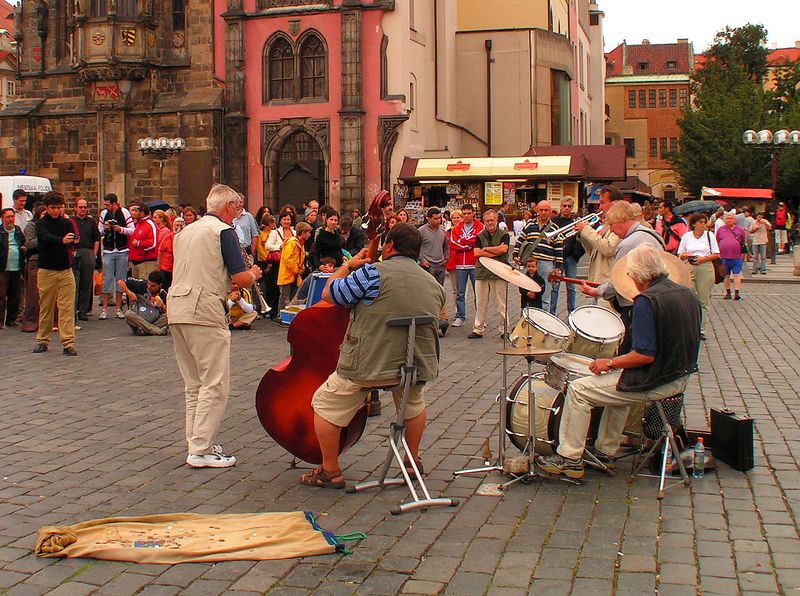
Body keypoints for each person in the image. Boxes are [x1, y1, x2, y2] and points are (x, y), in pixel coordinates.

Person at [537, 244, 701, 478]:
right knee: (618, 386)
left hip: (655, 380)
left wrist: (610, 363)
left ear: (637, 274)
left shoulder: (647, 300)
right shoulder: (687, 294)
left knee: (578, 390)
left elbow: (645, 355)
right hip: (679, 376)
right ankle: (605, 451)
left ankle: (568, 458)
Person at [300, 223, 445, 488]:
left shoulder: (371, 273)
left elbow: (329, 293)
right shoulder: (432, 282)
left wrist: (348, 266)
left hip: (369, 362)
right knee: (413, 404)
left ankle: (330, 470)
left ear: (389, 246)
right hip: (414, 364)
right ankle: (412, 461)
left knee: (324, 404)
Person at [167, 184, 262, 468]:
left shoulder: (185, 232)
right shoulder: (223, 232)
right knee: (214, 383)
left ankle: (197, 441)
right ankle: (200, 449)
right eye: (238, 207)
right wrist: (254, 273)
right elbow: (240, 278)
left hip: (177, 307)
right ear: (229, 206)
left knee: (194, 384)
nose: (239, 214)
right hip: (203, 308)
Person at [578, 201, 665, 353]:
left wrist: (596, 292)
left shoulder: (628, 244)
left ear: (622, 220)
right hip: (656, 300)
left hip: (634, 303)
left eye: (611, 224)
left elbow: (618, 281)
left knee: (630, 348)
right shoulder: (653, 236)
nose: (611, 230)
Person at [33, 191, 78, 356]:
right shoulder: (41, 223)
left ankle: (68, 342)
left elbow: (74, 238)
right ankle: (42, 340)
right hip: (47, 271)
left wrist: (72, 240)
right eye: (53, 208)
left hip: (65, 270)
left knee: (66, 308)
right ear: (47, 207)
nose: (56, 211)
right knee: (46, 307)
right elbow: (45, 238)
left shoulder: (66, 223)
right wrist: (62, 240)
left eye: (59, 207)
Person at [512, 200, 564, 314]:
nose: (544, 212)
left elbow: (559, 249)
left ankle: (543, 324)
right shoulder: (530, 225)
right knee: (527, 293)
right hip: (531, 263)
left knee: (545, 297)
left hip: (547, 264)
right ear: (537, 211)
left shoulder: (554, 228)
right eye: (541, 210)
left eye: (546, 210)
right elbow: (520, 240)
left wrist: (558, 267)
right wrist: (515, 254)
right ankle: (525, 321)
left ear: (550, 211)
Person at [678, 213, 720, 339]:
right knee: (689, 295)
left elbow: (716, 253)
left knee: (703, 299)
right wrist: (688, 255)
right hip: (690, 266)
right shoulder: (687, 236)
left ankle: (701, 329)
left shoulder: (709, 235)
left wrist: (704, 258)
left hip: (705, 266)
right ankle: (689, 326)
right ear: (694, 224)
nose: (703, 225)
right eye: (700, 222)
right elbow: (680, 253)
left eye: (704, 222)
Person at [468, 210, 509, 339]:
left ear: (497, 221)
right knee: (480, 303)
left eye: (492, 220)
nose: (490, 223)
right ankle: (478, 329)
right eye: (487, 221)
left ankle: (504, 329)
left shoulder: (504, 235)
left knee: (501, 303)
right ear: (484, 222)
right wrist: (495, 251)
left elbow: (504, 249)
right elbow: (476, 253)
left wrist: (485, 249)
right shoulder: (480, 236)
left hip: (499, 272)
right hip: (482, 272)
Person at [575, 187, 620, 293]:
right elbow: (594, 251)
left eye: (603, 203)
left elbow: (608, 249)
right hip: (598, 282)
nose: (600, 207)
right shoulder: (606, 224)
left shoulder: (618, 224)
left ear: (614, 204)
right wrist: (582, 235)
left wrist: (586, 230)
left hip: (608, 284)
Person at [98, 193, 134, 320]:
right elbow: (99, 231)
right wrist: (105, 229)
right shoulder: (103, 214)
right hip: (108, 250)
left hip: (122, 249)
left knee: (120, 279)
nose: (106, 207)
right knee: (107, 280)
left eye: (108, 204)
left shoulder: (124, 212)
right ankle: (104, 309)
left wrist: (120, 229)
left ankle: (118, 308)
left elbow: (131, 230)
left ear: (114, 204)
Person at [449, 204, 484, 327]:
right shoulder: (456, 229)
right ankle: (460, 316)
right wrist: (469, 246)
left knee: (478, 293)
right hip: (460, 264)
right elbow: (453, 244)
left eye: (469, 213)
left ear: (473, 213)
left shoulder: (481, 227)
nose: (466, 216)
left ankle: (480, 318)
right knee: (460, 292)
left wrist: (463, 243)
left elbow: (478, 242)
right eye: (464, 213)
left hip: (475, 264)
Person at [418, 207, 450, 335]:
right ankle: (429, 319)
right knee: (428, 293)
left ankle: (441, 318)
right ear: (429, 219)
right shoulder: (421, 231)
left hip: (440, 265)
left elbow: (446, 246)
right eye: (435, 218)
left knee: (439, 291)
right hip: (427, 266)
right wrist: (421, 260)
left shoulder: (442, 230)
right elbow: (416, 247)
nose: (438, 220)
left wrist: (446, 258)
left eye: (439, 218)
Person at [550, 198, 583, 314]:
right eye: (564, 206)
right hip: (557, 257)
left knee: (571, 287)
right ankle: (552, 313)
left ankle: (571, 313)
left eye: (569, 206)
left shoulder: (575, 222)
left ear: (572, 208)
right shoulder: (554, 221)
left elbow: (581, 239)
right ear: (560, 207)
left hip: (571, 258)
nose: (566, 208)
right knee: (554, 287)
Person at [71, 198, 101, 321]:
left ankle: (83, 311)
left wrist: (94, 254)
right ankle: (73, 309)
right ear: (75, 208)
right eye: (80, 207)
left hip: (88, 252)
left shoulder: (91, 222)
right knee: (74, 283)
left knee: (87, 283)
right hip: (75, 252)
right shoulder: (71, 221)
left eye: (85, 207)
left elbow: (97, 239)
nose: (83, 209)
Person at [264, 208, 295, 319]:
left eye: (288, 219)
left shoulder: (294, 232)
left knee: (289, 291)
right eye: (284, 219)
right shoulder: (274, 233)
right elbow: (267, 246)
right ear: (280, 221)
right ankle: (275, 312)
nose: (286, 221)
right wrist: (280, 246)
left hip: (290, 265)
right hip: (278, 264)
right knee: (277, 290)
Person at [118, 270, 168, 336]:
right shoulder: (141, 285)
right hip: (139, 321)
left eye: (153, 286)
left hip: (154, 321)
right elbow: (120, 282)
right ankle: (156, 330)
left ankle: (146, 330)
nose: (149, 287)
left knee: (170, 314)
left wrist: (163, 307)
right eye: (148, 283)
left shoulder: (163, 294)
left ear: (160, 285)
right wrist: (129, 293)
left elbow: (167, 311)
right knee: (128, 314)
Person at [20, 205, 46, 333]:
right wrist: (43, 237)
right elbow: (29, 243)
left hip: (49, 260)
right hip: (35, 259)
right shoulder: (32, 226)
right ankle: (31, 321)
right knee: (33, 293)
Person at [277, 221, 312, 313]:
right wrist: (296, 270)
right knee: (285, 297)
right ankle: (280, 315)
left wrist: (301, 268)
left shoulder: (301, 243)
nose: (309, 235)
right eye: (308, 232)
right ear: (303, 232)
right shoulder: (292, 243)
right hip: (288, 274)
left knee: (293, 297)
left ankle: (290, 315)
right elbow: (287, 258)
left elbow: (300, 258)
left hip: (295, 275)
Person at [0, 208, 25, 328]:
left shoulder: (18, 230)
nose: (10, 219)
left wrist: (23, 248)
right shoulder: (0, 231)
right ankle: (0, 321)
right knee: (1, 295)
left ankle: (11, 320)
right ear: (2, 218)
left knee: (14, 295)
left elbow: (23, 242)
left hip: (17, 266)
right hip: (2, 267)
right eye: (8, 217)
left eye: (12, 217)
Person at [716, 211, 746, 300]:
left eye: (731, 218)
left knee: (737, 274)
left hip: (736, 256)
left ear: (734, 220)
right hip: (724, 256)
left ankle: (737, 292)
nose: (729, 220)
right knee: (726, 275)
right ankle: (728, 292)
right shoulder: (721, 230)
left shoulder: (740, 230)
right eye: (727, 218)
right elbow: (717, 241)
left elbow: (743, 242)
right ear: (725, 220)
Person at [128, 202, 159, 280]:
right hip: (135, 261)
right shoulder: (138, 224)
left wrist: (138, 244)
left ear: (141, 213)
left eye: (136, 211)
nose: (134, 213)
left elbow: (153, 243)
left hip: (146, 262)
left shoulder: (150, 224)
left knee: (145, 286)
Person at [153, 209, 174, 290]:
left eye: (156, 217)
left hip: (165, 264)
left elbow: (160, 248)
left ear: (161, 218)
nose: (154, 219)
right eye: (153, 218)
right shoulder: (158, 229)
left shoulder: (165, 231)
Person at [445, 209, 462, 297]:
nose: (456, 219)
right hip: (453, 262)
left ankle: (462, 308)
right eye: (454, 218)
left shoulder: (465, 231)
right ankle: (457, 309)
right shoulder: (448, 232)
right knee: (455, 289)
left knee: (463, 288)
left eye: (458, 217)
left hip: (464, 261)